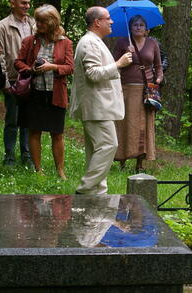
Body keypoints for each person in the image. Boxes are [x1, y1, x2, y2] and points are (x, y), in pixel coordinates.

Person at [70, 6, 132, 195]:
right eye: (108, 18)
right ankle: (86, 189)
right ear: (97, 22)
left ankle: (98, 192)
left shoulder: (95, 41)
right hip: (96, 106)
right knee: (108, 145)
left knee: (96, 151)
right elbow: (93, 74)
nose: (111, 21)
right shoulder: (89, 42)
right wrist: (119, 64)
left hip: (99, 106)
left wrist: (118, 65)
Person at [14, 4, 73, 179]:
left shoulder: (65, 42)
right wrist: (31, 69)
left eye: (42, 21)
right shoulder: (29, 41)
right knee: (34, 131)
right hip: (34, 93)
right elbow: (18, 63)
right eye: (37, 20)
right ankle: (38, 170)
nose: (37, 24)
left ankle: (60, 171)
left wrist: (52, 66)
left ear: (52, 22)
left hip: (56, 94)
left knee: (57, 133)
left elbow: (70, 67)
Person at [113, 15, 163, 172]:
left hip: (146, 91)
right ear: (130, 28)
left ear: (146, 29)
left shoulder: (152, 43)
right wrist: (125, 56)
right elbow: (114, 65)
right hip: (126, 89)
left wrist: (159, 79)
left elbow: (158, 65)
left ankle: (139, 163)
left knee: (143, 125)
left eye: (142, 25)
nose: (138, 27)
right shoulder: (122, 42)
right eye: (135, 25)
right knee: (125, 124)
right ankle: (122, 160)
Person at [0, 0, 35, 167]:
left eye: (29, 3)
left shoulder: (33, 23)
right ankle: (9, 157)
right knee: (12, 119)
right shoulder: (2, 26)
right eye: (23, 3)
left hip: (32, 78)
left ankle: (27, 156)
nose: (27, 6)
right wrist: (4, 81)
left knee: (28, 119)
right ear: (12, 3)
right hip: (12, 78)